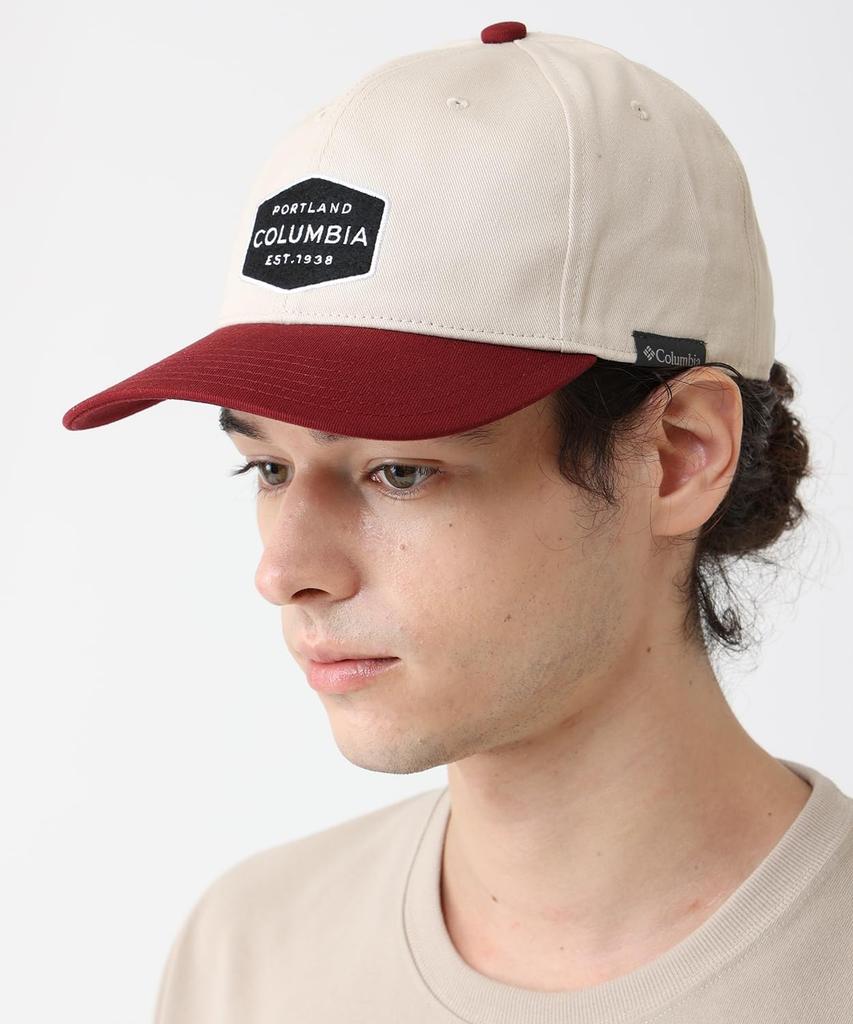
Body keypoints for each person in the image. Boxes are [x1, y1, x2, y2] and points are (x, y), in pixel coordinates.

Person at [62, 20, 853, 1024]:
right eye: (268, 466)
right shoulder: (245, 954)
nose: (284, 570)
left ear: (678, 455)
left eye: (399, 470)